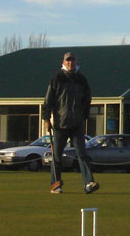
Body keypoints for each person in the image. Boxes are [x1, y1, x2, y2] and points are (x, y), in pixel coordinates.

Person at [42, 51, 99, 195]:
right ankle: (55, 185)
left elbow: (87, 100)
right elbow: (48, 100)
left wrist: (84, 116)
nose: (70, 63)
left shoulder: (81, 80)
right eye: (68, 60)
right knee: (57, 156)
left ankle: (88, 183)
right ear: (64, 62)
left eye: (72, 60)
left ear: (75, 62)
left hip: (77, 123)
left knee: (82, 154)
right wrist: (46, 118)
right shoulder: (57, 79)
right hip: (60, 124)